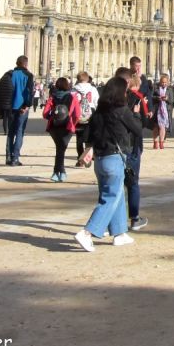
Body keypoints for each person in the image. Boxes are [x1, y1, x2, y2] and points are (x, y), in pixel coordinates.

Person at [74, 74, 143, 252]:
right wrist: (135, 115)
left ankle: (119, 233)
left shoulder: (99, 112)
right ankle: (87, 232)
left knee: (117, 194)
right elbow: (138, 131)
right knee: (110, 197)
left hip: (100, 159)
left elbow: (87, 136)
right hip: (115, 158)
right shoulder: (122, 110)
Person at [124, 58, 153, 230]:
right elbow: (138, 126)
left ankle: (114, 221)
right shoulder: (134, 98)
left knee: (117, 187)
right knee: (133, 182)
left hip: (114, 148)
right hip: (131, 144)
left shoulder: (113, 100)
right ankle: (134, 218)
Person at [0, 56, 36, 165]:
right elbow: (29, 93)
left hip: (10, 107)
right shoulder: (28, 75)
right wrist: (26, 106)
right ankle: (15, 158)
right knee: (19, 132)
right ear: (26, 64)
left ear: (16, 63)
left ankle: (8, 156)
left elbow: (1, 89)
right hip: (22, 107)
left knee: (10, 133)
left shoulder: (9, 74)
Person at [43, 76, 79, 180]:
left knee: (60, 149)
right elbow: (77, 114)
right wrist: (74, 124)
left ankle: (57, 172)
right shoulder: (73, 97)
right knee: (61, 149)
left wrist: (51, 117)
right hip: (67, 126)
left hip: (54, 126)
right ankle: (60, 172)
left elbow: (45, 113)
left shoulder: (52, 97)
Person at [71, 72, 97, 161]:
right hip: (90, 114)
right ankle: (87, 157)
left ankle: (80, 156)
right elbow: (96, 102)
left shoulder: (73, 90)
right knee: (90, 137)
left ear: (78, 79)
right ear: (87, 79)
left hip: (78, 114)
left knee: (79, 137)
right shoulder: (93, 89)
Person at [152, 74, 173, 150]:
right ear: (160, 82)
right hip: (156, 110)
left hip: (165, 112)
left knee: (162, 127)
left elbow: (172, 101)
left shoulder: (169, 90)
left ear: (167, 83)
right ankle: (155, 142)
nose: (164, 84)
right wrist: (158, 98)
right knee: (155, 127)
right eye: (162, 82)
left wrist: (167, 99)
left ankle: (161, 143)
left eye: (165, 82)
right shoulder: (156, 89)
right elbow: (151, 97)